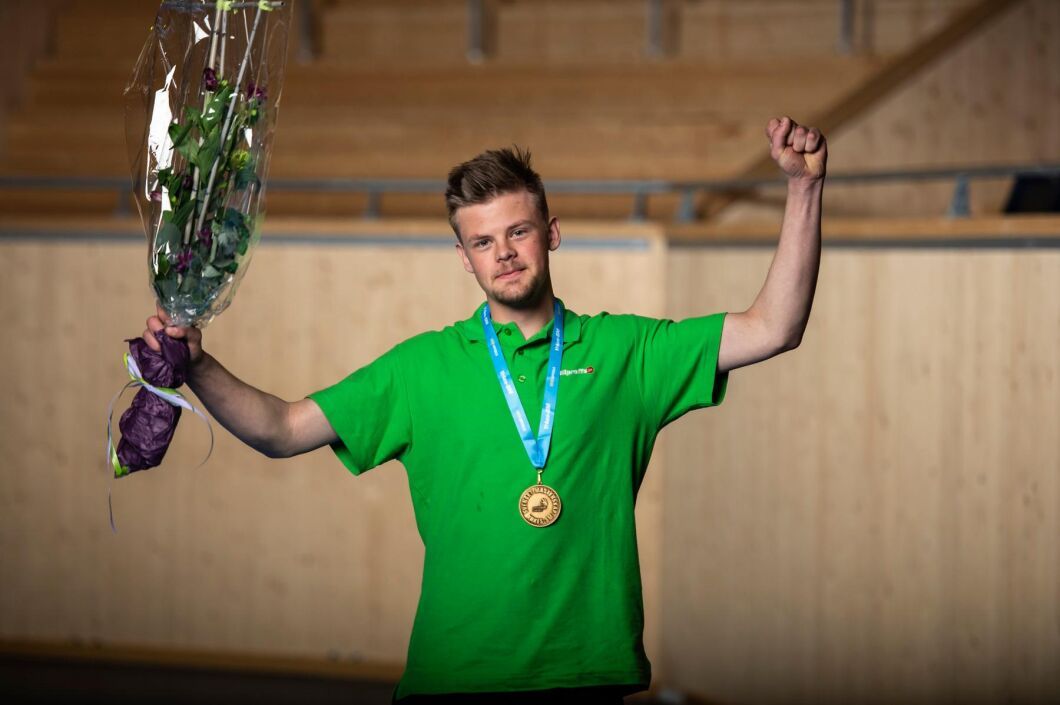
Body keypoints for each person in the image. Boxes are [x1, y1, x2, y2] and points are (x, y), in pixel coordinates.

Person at [143, 116, 826, 703]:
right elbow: (282, 428)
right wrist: (198, 364)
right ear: (464, 257)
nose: (503, 253)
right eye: (482, 241)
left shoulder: (627, 351)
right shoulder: (422, 366)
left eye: (518, 231)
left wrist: (803, 186)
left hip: (585, 677)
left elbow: (773, 327)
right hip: (453, 681)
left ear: (551, 233)